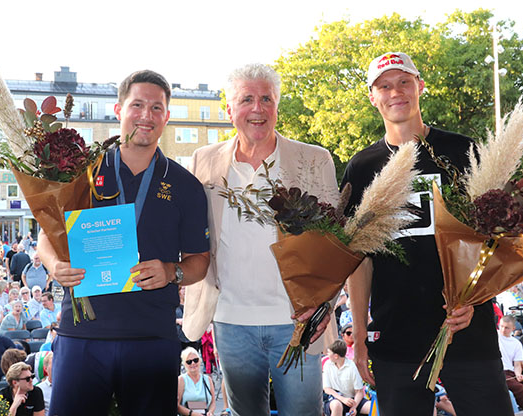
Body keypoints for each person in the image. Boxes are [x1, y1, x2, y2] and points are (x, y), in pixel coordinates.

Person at [342, 52, 512, 415]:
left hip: (467, 331)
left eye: (404, 81)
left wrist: (477, 298)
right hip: (396, 338)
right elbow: (358, 261)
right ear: (372, 97)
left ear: (419, 86)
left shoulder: (464, 151)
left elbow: (496, 242)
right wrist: (359, 336)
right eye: (384, 86)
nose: (395, 92)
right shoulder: (362, 167)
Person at [39, 69, 210, 415]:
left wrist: (171, 272)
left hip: (152, 338)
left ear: (167, 116)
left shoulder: (186, 185)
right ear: (118, 110)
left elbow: (200, 262)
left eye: (157, 108)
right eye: (137, 105)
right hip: (82, 333)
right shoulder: (81, 172)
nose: (146, 116)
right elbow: (45, 236)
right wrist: (55, 266)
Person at [183, 63, 336, 416]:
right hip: (231, 321)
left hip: (298, 321)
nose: (258, 108)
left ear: (277, 107)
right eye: (247, 99)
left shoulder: (314, 159)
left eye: (266, 98)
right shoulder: (202, 160)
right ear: (229, 110)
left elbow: (336, 242)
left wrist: (326, 303)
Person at [323, 340, 370, 416]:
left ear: (336, 356)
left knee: (372, 407)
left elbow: (359, 391)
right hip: (335, 398)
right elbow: (327, 389)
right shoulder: (327, 365)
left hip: (352, 400)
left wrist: (354, 406)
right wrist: (343, 399)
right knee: (336, 406)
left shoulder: (351, 366)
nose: (327, 354)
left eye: (329, 352)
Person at [498, 315, 523, 409]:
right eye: (501, 326)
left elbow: (517, 364)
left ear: (513, 328)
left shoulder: (516, 344)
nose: (503, 329)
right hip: (499, 372)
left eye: (506, 328)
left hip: (511, 373)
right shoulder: (494, 337)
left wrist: (518, 374)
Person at [177, 347, 215, 416]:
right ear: (184, 364)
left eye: (196, 360)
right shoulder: (181, 380)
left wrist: (210, 412)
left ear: (200, 361)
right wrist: (193, 414)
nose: (193, 363)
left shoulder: (208, 379)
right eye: (189, 362)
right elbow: (177, 405)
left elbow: (213, 402)